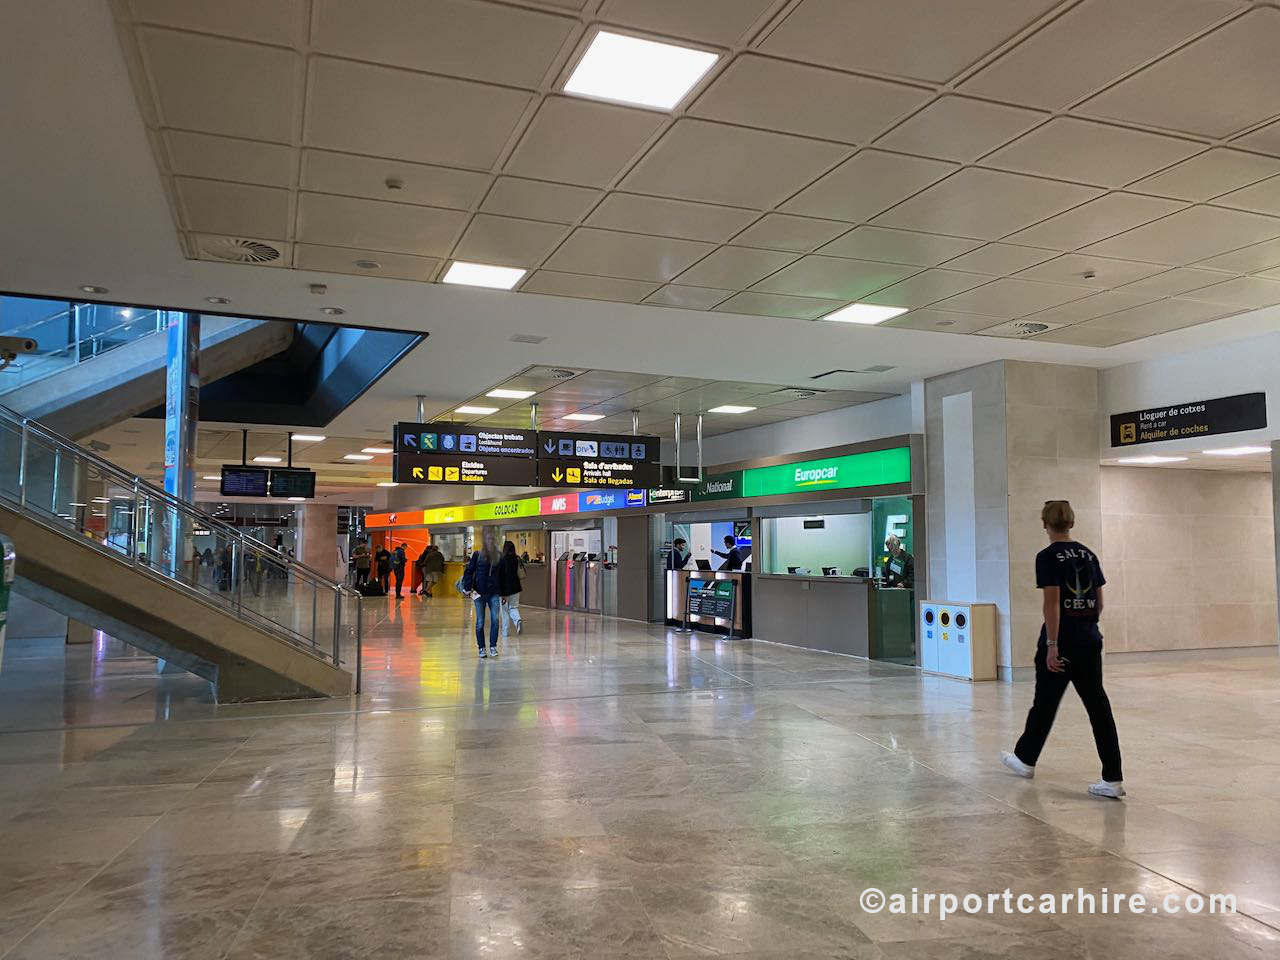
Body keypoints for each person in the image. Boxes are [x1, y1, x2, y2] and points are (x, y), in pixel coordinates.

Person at [1002, 500, 1125, 799]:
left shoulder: (1047, 557)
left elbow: (1052, 603)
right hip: (1089, 639)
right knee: (1098, 707)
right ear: (1071, 522)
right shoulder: (1088, 554)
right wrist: (1088, 626)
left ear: (1045, 523)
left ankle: (1025, 759)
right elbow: (1099, 600)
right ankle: (1112, 777)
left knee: (1045, 702)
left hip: (1064, 640)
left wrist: (1053, 645)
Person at [462, 530, 502, 658]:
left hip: (494, 592)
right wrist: (468, 588)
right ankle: (481, 648)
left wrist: (504, 592)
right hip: (479, 592)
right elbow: (469, 571)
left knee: (495, 620)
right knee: (480, 622)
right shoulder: (477, 555)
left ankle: (493, 646)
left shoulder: (499, 556)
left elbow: (503, 576)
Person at [497, 539, 525, 637]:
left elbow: (500, 576)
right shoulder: (517, 558)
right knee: (513, 607)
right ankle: (517, 620)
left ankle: (505, 632)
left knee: (504, 611)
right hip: (516, 588)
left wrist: (501, 591)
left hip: (504, 590)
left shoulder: (501, 560)